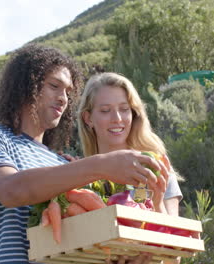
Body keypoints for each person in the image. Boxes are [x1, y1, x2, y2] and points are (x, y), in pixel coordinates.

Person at [0, 44, 168, 264]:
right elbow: (10, 190)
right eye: (54, 86)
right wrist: (99, 165)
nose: (63, 98)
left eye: (68, 92)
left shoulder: (62, 162)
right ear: (27, 85)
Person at [77, 72, 183, 216]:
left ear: (133, 113)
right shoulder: (81, 177)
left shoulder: (153, 166)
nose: (117, 118)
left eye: (124, 109)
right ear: (88, 118)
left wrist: (157, 203)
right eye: (105, 110)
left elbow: (173, 233)